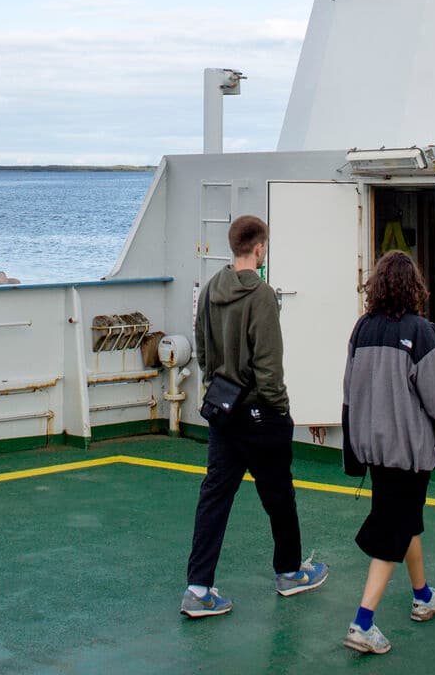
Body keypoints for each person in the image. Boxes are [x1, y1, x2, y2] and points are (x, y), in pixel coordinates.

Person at [180, 215, 327, 618]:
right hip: (260, 414)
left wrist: (215, 388)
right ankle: (290, 572)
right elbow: (268, 366)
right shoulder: (262, 295)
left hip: (223, 413)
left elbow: (203, 347)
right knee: (279, 495)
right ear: (259, 248)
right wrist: (279, 409)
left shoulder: (211, 289)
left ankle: (198, 588)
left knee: (215, 497)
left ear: (234, 247)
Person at [339, 251, 435, 655]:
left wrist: (352, 455)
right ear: (414, 286)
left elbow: (349, 396)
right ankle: (362, 623)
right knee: (392, 532)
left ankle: (423, 595)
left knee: (406, 519)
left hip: (375, 452)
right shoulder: (421, 333)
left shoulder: (361, 329)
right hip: (409, 454)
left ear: (377, 286)